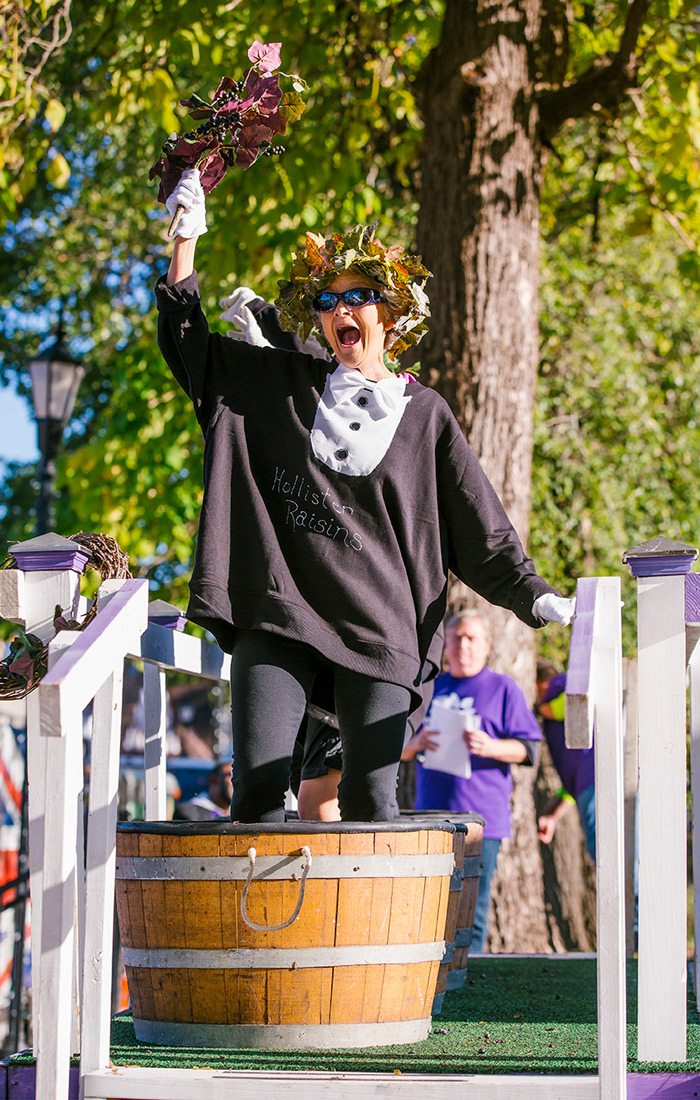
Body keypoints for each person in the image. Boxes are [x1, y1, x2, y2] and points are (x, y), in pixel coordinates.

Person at [155, 167, 574, 824]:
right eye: (326, 303)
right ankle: (263, 928)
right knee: (260, 792)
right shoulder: (283, 384)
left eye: (358, 297)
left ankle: (368, 931)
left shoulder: (426, 414)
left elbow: (478, 530)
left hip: (380, 628)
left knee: (372, 800)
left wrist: (534, 595)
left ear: (391, 311)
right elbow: (193, 355)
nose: (340, 311)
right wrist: (184, 245)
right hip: (283, 610)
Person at [402, 611, 543, 951]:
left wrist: (492, 746)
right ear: (445, 646)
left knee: (473, 909)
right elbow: (398, 750)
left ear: (486, 646)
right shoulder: (429, 687)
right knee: (431, 905)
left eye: (472, 638)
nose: (464, 645)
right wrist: (417, 744)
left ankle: (470, 978)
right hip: (431, 817)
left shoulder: (502, 688)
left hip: (482, 820)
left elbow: (529, 749)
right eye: (457, 638)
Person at [535, 661, 596, 861]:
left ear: (540, 684)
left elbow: (571, 702)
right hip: (588, 786)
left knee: (604, 852)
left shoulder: (560, 685)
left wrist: (541, 709)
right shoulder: (578, 764)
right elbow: (572, 788)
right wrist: (553, 816)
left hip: (596, 786)